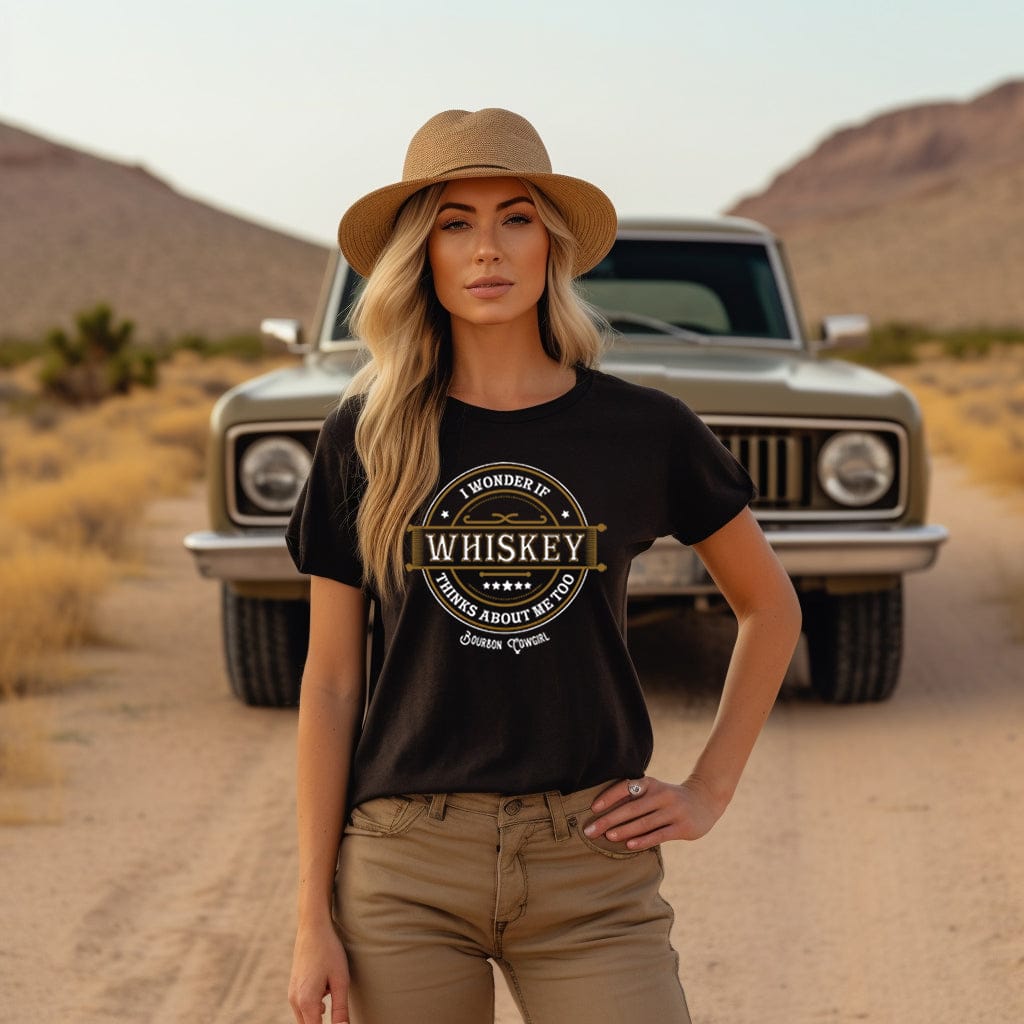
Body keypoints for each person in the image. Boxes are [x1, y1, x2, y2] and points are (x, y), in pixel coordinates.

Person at [285, 108, 802, 1024]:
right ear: (423, 254)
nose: (488, 248)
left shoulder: (645, 430)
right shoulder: (363, 437)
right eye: (456, 223)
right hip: (404, 864)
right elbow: (330, 683)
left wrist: (709, 788)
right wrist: (308, 916)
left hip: (589, 865)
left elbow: (770, 608)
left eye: (516, 217)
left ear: (551, 246)